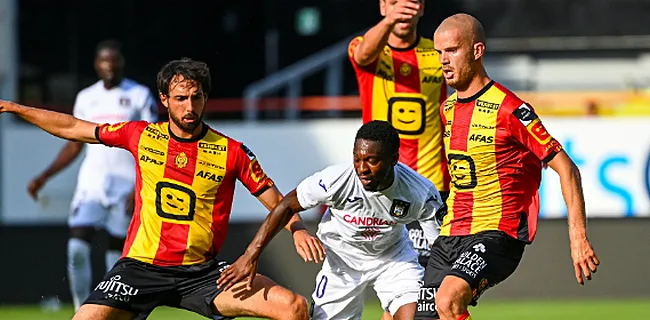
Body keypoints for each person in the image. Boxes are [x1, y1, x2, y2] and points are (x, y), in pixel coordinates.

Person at [1, 57, 319, 320]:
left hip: (203, 274)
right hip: (140, 268)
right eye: (181, 98)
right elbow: (73, 127)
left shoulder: (231, 151)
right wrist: (17, 109)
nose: (190, 106)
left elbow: (275, 199)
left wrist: (298, 229)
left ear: (206, 98)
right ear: (165, 101)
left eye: (197, 97)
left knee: (294, 308)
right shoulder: (141, 135)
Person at [414, 14, 600, 320]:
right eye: (438, 53)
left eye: (452, 50)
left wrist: (578, 238)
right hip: (449, 234)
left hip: (497, 233)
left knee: (448, 300)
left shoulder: (511, 109)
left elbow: (567, 168)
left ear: (477, 51)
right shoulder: (447, 109)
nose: (443, 61)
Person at [218, 120, 446, 320]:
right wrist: (251, 254)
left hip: (394, 260)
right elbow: (287, 204)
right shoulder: (336, 179)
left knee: (419, 317)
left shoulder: (420, 192)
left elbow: (440, 246)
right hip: (341, 262)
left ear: (394, 159)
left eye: (372, 161)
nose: (362, 169)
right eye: (357, 159)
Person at [25, 39, 158, 312]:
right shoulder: (86, 97)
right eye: (104, 60)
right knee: (76, 247)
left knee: (115, 258)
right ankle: (81, 310)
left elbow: (152, 146)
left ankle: (112, 311)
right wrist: (44, 176)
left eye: (114, 60)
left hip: (126, 187)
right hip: (91, 186)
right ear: (96, 64)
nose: (109, 65)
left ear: (122, 62)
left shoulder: (139, 95)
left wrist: (140, 188)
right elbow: (74, 143)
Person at [348, 0, 450, 302]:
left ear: (422, 7)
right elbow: (364, 53)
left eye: (411, 1)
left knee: (424, 291)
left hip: (431, 189)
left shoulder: (438, 53)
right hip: (383, 192)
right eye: (394, 2)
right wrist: (390, 21)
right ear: (382, 7)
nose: (403, 9)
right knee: (403, 289)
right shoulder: (368, 48)